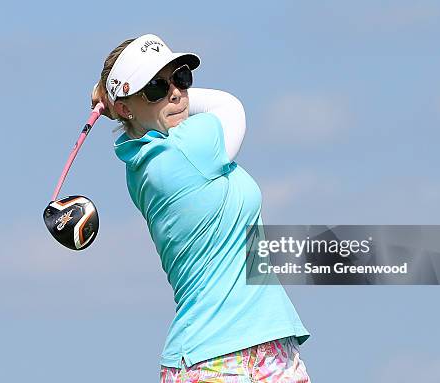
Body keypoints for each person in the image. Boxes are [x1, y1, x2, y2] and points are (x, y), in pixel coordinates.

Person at [92, 34, 312, 383]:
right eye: (155, 88)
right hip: (216, 362)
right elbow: (229, 106)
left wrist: (118, 97)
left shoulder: (142, 161)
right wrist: (111, 95)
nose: (177, 93)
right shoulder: (184, 151)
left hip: (267, 348)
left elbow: (180, 109)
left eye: (180, 77)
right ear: (124, 108)